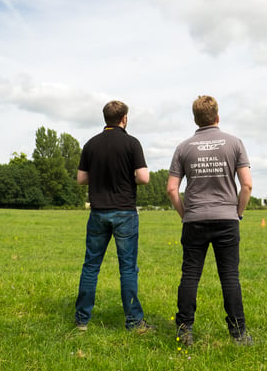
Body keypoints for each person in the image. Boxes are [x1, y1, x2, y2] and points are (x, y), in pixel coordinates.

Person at [166, 95, 253, 346]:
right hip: (227, 219)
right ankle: (238, 334)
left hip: (194, 219)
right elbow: (246, 184)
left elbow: (172, 189)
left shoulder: (183, 147)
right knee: (229, 277)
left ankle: (184, 332)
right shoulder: (235, 143)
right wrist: (238, 213)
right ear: (217, 116)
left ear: (195, 119)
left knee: (190, 275)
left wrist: (186, 215)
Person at [74, 100, 153, 332]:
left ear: (105, 118)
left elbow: (81, 179)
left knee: (91, 266)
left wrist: (98, 176)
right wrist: (129, 177)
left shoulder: (91, 144)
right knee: (127, 268)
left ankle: (82, 320)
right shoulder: (132, 143)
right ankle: (133, 322)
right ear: (124, 118)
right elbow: (144, 178)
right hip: (124, 212)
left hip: (98, 212)